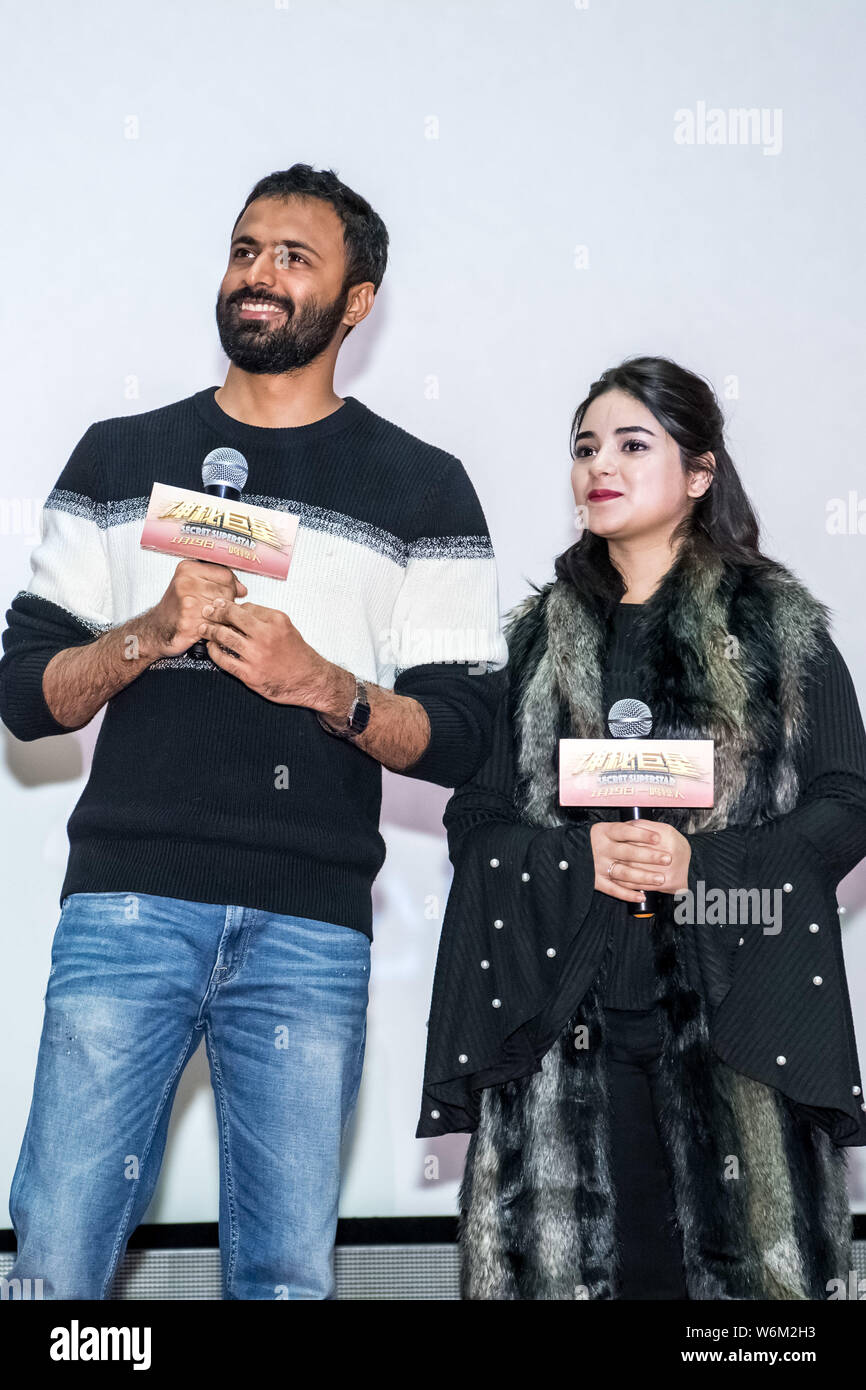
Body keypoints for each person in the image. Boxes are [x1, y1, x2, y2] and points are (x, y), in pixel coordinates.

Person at [0, 164, 508, 1300]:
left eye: (292, 257)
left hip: (308, 928)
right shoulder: (120, 457)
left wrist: (326, 686)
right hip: (129, 903)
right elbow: (26, 692)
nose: (257, 277)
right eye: (243, 250)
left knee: (281, 1273)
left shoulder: (421, 486)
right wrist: (148, 630)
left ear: (357, 299)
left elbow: (471, 732)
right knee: (61, 1257)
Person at [416, 355, 866, 1300]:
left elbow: (847, 801)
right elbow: (479, 818)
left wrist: (701, 863)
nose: (598, 468)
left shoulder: (781, 631)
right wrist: (576, 859)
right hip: (563, 1038)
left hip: (735, 1033)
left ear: (700, 474)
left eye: (631, 444)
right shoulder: (532, 646)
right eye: (584, 449)